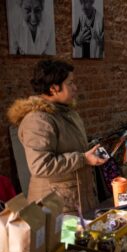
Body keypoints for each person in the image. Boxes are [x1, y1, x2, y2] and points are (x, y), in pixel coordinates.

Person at [6, 59, 107, 214]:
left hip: (76, 199)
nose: (75, 87)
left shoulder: (66, 113)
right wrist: (83, 159)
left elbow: (72, 148)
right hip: (56, 207)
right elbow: (40, 165)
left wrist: (90, 152)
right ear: (53, 88)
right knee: (65, 239)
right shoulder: (38, 120)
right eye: (70, 83)